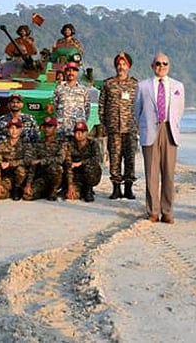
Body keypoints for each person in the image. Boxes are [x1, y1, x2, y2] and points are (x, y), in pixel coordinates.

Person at [134, 53, 185, 223]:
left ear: (169, 65)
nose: (161, 66)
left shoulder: (178, 86)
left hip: (169, 130)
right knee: (151, 174)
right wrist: (142, 128)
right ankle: (153, 211)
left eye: (164, 63)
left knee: (169, 174)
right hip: (150, 131)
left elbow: (180, 110)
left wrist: (173, 125)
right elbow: (137, 111)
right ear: (152, 65)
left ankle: (167, 210)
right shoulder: (143, 86)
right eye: (158, 63)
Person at [99, 51, 139, 200]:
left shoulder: (135, 84)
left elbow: (140, 106)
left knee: (130, 158)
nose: (121, 67)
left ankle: (128, 188)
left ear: (128, 67)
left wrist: (140, 125)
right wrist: (103, 124)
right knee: (114, 158)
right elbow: (102, 105)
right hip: (113, 127)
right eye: (119, 64)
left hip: (130, 127)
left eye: (124, 64)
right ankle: (116, 188)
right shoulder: (108, 84)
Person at [23, 117, 64, 201]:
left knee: (55, 167)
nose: (47, 129)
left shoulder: (61, 143)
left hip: (56, 178)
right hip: (41, 177)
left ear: (55, 128)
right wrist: (28, 184)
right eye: (45, 127)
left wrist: (42, 161)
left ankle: (53, 190)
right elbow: (33, 164)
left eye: (50, 127)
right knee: (27, 196)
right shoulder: (38, 143)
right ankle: (44, 191)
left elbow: (60, 159)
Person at [63, 121, 102, 202]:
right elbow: (68, 163)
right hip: (75, 176)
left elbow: (97, 159)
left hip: (91, 175)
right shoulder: (69, 144)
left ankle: (88, 189)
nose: (79, 134)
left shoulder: (93, 143)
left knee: (89, 166)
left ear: (87, 133)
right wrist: (70, 185)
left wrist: (81, 163)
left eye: (82, 132)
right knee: (71, 195)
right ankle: (79, 189)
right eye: (77, 132)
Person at [0, 118, 29, 201]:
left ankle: (17, 189)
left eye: (17, 128)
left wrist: (10, 164)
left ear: (20, 130)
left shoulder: (26, 145)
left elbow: (27, 160)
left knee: (21, 169)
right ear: (8, 130)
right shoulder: (2, 145)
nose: (14, 131)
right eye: (11, 128)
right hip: (7, 176)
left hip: (21, 178)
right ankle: (9, 191)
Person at [54, 61, 91, 139]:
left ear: (77, 72)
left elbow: (87, 109)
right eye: (68, 70)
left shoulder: (83, 90)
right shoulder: (59, 89)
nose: (71, 73)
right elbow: (55, 107)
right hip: (62, 129)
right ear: (65, 72)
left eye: (73, 70)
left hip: (78, 130)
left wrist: (81, 122)